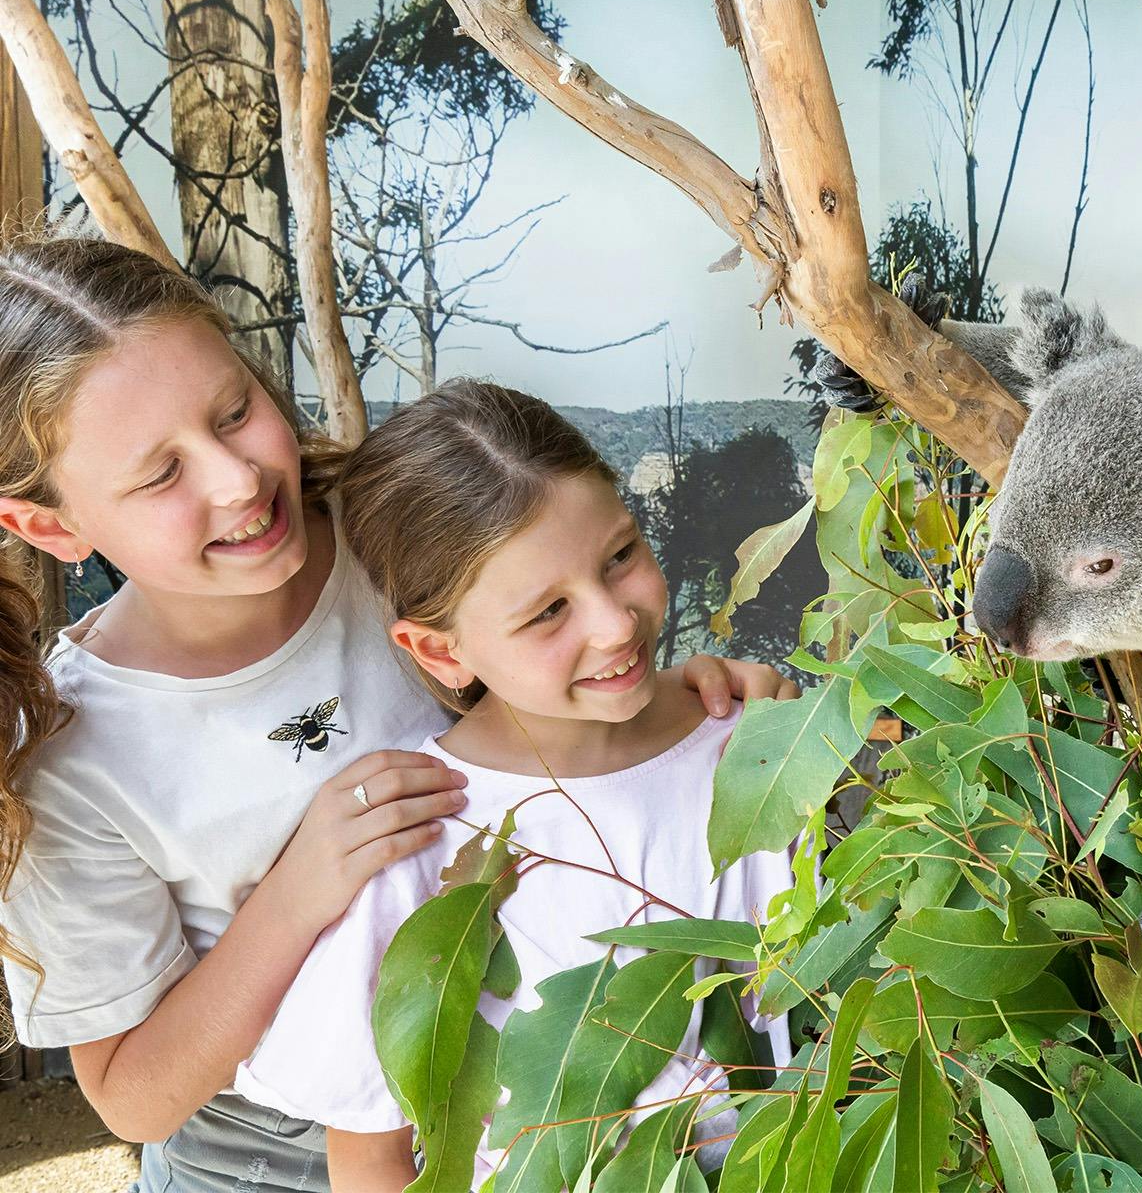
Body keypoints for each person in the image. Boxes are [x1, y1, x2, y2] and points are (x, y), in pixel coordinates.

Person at [0, 237, 796, 1192]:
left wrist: (689, 709)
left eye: (235, 412)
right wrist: (300, 894)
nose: (237, 480)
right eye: (160, 473)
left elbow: (570, 678)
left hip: (539, 1105)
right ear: (52, 527)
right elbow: (134, 1099)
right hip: (265, 1156)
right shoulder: (69, 755)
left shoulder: (397, 535)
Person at [235, 379, 793, 1190]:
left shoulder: (753, 745)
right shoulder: (418, 840)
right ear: (440, 653)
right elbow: (372, 1152)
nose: (613, 622)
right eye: (546, 613)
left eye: (621, 556)